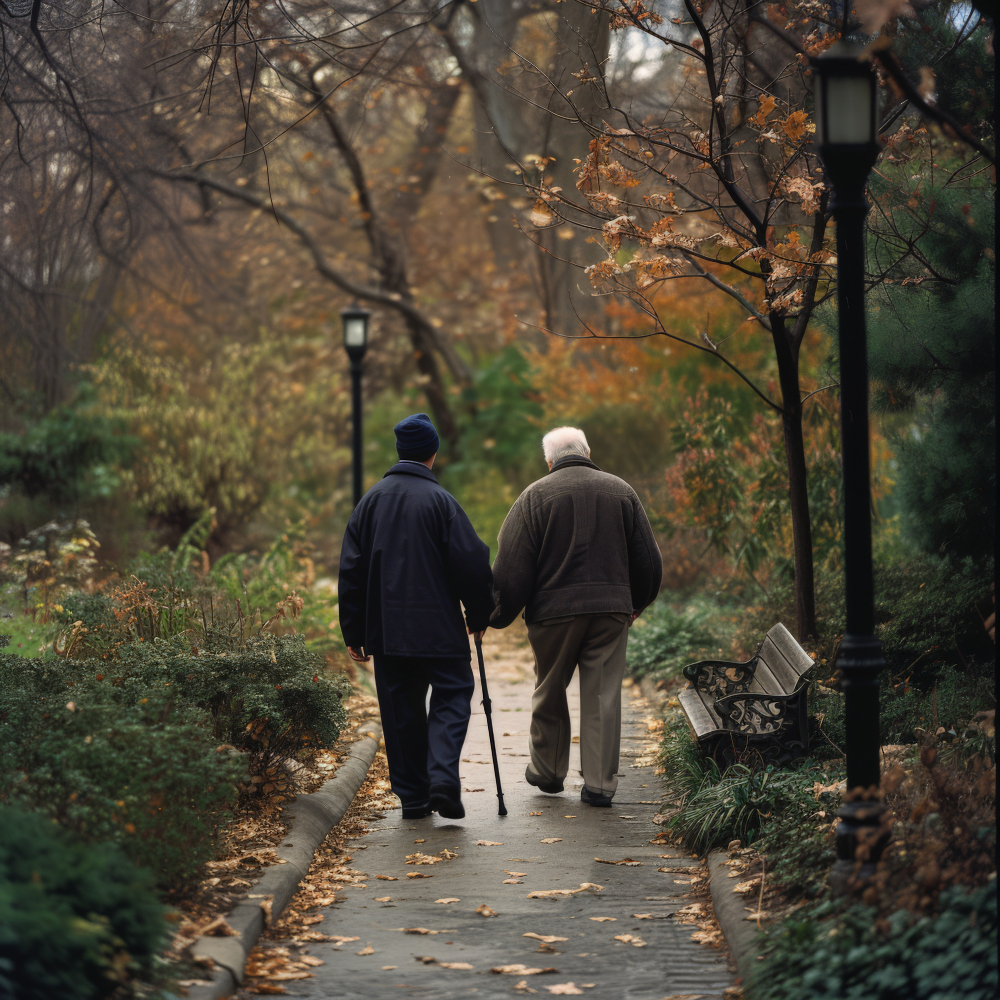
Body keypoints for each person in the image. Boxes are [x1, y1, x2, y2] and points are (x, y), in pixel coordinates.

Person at [490, 426, 662, 807]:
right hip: (611, 610)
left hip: (553, 614)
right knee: (603, 695)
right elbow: (649, 560)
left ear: (549, 461)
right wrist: (635, 603)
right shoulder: (622, 492)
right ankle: (599, 785)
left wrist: (496, 614)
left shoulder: (533, 497)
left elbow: (511, 567)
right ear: (587, 452)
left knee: (550, 688)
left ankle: (548, 771)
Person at [337, 413, 494, 820]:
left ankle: (414, 798)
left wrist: (353, 630)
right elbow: (472, 561)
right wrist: (479, 613)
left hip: (387, 631)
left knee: (400, 710)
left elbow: (351, 571)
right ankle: (441, 776)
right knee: (453, 694)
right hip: (439, 628)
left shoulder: (369, 503)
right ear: (433, 452)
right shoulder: (442, 502)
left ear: (400, 451)